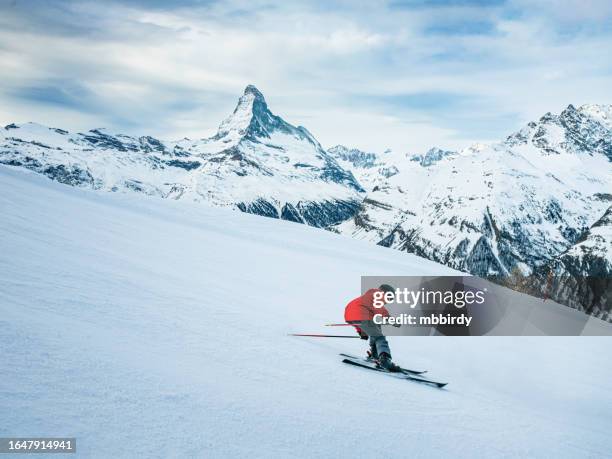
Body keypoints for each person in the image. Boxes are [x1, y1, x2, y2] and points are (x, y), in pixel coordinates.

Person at [344, 284, 400, 372]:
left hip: (350, 315)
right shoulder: (378, 294)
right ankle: (385, 359)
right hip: (361, 315)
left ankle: (375, 355)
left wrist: (362, 332)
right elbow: (380, 309)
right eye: (389, 298)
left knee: (377, 327)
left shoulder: (369, 296)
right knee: (379, 337)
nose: (388, 301)